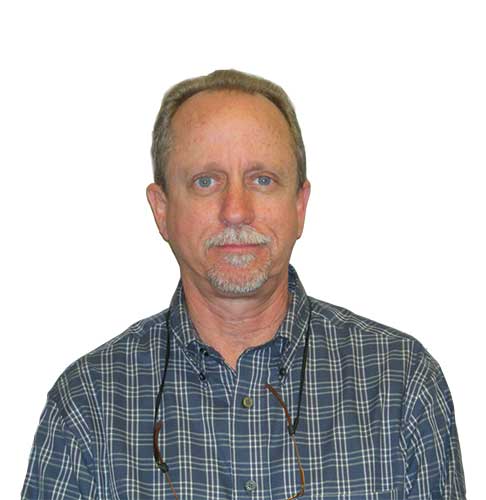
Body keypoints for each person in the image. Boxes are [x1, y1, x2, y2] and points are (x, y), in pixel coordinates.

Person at [22, 69, 466, 500]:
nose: (236, 210)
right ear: (162, 210)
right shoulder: (89, 403)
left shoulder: (401, 383)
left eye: (262, 180)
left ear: (299, 206)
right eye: (206, 181)